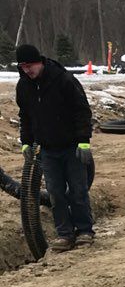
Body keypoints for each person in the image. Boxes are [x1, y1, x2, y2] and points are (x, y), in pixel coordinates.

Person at [15, 43, 94, 251]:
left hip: (71, 147)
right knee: (56, 193)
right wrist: (26, 143)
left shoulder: (63, 79)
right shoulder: (23, 86)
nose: (27, 70)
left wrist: (84, 141)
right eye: (23, 67)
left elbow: (82, 111)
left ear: (40, 62)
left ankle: (85, 231)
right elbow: (25, 117)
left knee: (77, 190)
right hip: (47, 150)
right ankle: (65, 234)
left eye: (30, 65)